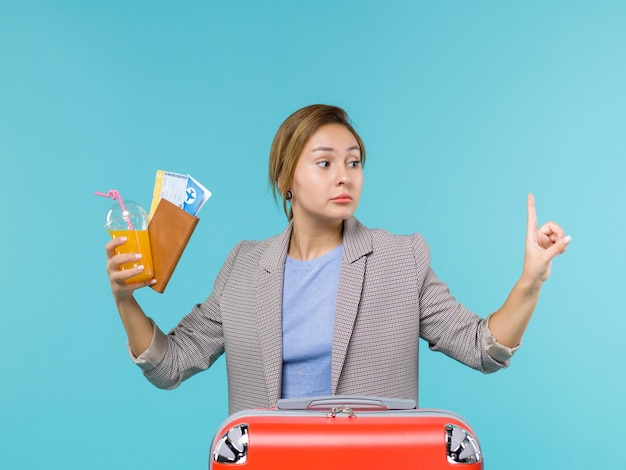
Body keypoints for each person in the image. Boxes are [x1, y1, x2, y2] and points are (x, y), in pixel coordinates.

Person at [105, 104, 571, 415]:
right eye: (325, 163)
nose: (344, 176)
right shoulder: (243, 266)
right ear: (288, 179)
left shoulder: (401, 258)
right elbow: (171, 365)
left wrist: (531, 280)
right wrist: (126, 301)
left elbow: (480, 348)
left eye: (354, 161)